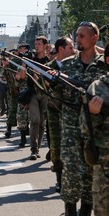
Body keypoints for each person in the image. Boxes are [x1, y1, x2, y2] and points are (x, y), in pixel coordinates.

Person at [59, 22, 107, 216]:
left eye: (82, 36)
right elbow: (46, 90)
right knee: (70, 169)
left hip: (95, 127)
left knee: (90, 171)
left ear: (94, 38)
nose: (77, 39)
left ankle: (85, 211)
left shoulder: (104, 64)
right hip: (71, 126)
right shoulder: (67, 64)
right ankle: (70, 210)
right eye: (76, 36)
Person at [46, 36, 75, 193]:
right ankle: (59, 179)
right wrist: (48, 81)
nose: (73, 49)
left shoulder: (75, 65)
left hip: (72, 112)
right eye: (70, 47)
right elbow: (39, 90)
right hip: (55, 112)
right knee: (56, 146)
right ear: (61, 49)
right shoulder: (47, 67)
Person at [86, 43, 109, 215]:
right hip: (104, 165)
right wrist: (93, 114)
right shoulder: (97, 88)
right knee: (102, 210)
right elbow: (83, 128)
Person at [22, 36, 50, 160]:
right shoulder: (31, 60)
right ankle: (33, 149)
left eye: (39, 43)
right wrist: (24, 64)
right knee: (35, 120)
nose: (36, 45)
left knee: (42, 123)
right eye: (35, 43)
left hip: (45, 94)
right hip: (33, 93)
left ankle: (37, 147)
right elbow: (23, 76)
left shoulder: (49, 61)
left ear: (45, 45)